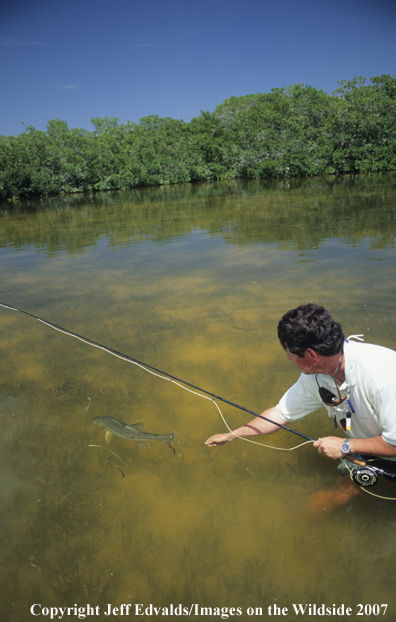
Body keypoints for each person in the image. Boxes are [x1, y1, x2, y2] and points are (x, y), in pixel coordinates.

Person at [205, 303, 396, 461]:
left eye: (290, 352)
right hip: (371, 450)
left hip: (386, 447)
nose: (288, 358)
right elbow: (280, 414)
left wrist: (346, 445)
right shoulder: (315, 375)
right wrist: (232, 434)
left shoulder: (383, 378)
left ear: (312, 354)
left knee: (328, 500)